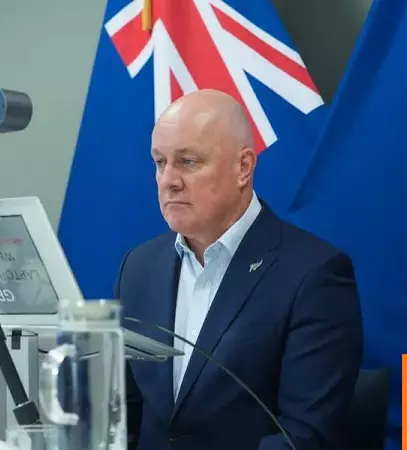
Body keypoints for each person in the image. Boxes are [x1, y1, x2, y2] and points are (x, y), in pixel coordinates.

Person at [113, 89, 363, 450]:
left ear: (243, 167)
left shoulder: (314, 275)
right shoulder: (138, 267)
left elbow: (305, 438)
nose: (168, 180)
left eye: (188, 161)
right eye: (159, 162)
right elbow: (122, 414)